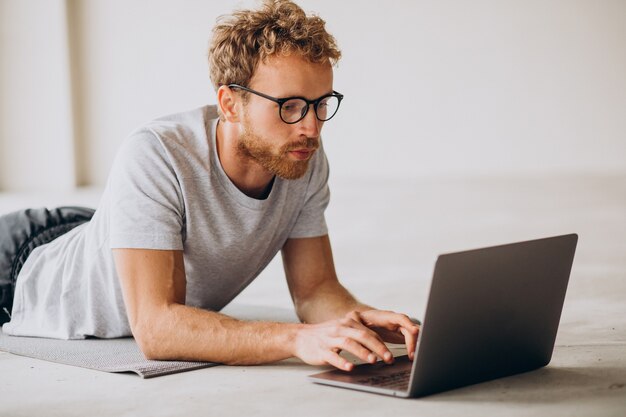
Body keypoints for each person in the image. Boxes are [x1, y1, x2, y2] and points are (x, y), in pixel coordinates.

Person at [0, 0, 419, 372]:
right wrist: (294, 338)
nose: (311, 127)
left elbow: (316, 291)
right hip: (23, 266)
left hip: (104, 237)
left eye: (320, 104)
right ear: (230, 104)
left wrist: (364, 318)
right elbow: (158, 328)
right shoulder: (156, 153)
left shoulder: (301, 157)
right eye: (289, 106)